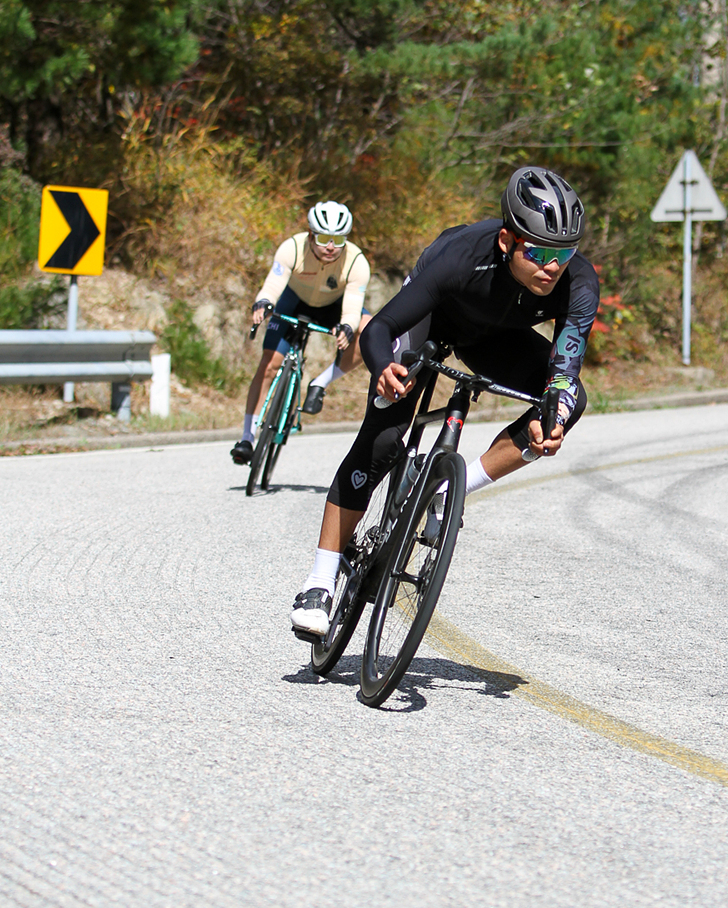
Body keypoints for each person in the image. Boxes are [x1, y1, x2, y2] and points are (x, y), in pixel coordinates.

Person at [290, 167, 599, 639]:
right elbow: (380, 328)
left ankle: (449, 491)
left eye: (564, 253)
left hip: (494, 338)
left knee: (570, 403)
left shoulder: (579, 283)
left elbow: (563, 371)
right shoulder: (460, 258)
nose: (552, 267)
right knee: (383, 440)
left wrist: (551, 418)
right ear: (506, 241)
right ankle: (319, 581)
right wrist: (384, 369)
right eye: (538, 253)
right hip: (430, 320)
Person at [230, 201, 371, 465]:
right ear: (310, 235)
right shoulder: (292, 248)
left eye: (338, 240)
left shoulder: (357, 262)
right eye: (324, 238)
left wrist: (347, 326)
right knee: (269, 365)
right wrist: (263, 302)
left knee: (370, 328)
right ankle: (247, 437)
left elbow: (353, 305)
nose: (331, 246)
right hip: (293, 300)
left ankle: (321, 382)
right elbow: (273, 284)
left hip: (333, 306)